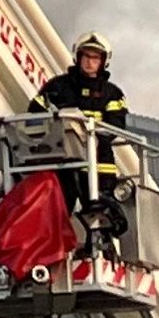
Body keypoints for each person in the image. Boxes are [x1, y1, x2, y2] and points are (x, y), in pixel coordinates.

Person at [36, 36, 132, 252]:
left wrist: (90, 137)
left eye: (95, 58)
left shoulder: (112, 93)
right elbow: (35, 114)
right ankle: (54, 253)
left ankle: (102, 252)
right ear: (77, 57)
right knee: (57, 211)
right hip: (63, 162)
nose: (90, 62)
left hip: (99, 165)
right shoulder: (57, 87)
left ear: (103, 62)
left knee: (100, 214)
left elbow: (115, 126)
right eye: (86, 56)